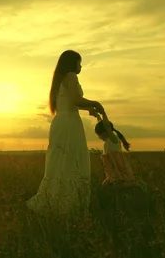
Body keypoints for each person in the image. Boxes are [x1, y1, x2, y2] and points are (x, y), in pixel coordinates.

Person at [27, 50, 105, 217]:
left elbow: (71, 102)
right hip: (69, 123)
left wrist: (88, 108)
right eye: (79, 62)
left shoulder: (61, 79)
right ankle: (68, 208)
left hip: (61, 122)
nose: (81, 66)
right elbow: (76, 100)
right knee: (72, 161)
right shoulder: (71, 76)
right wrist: (96, 103)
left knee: (61, 163)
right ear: (72, 63)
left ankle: (56, 203)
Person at [93, 112, 135, 186]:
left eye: (99, 135)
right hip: (112, 170)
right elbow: (103, 124)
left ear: (105, 132)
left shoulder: (113, 139)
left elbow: (106, 125)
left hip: (117, 170)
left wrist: (103, 113)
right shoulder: (108, 140)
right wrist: (97, 116)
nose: (99, 137)